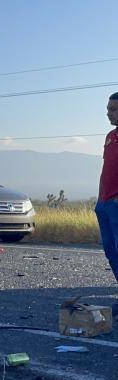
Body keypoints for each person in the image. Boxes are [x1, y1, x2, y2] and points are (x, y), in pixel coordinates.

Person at [95, 92, 118, 286]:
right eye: (108, 109)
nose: (109, 113)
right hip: (104, 203)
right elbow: (106, 168)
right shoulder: (110, 136)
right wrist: (101, 199)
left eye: (113, 109)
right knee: (111, 250)